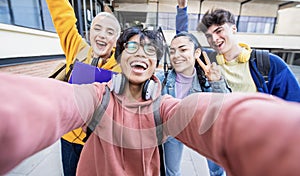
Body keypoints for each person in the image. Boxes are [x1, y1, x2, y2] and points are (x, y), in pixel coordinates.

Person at [1, 27, 300, 176]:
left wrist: (278, 138)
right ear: (119, 59)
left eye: (149, 50)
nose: (140, 53)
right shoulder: (96, 95)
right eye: (131, 46)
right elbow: (54, 101)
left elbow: (207, 115)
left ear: (157, 64)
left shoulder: (164, 105)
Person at [40, 0, 122, 175]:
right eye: (97, 29)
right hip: (68, 138)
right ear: (89, 32)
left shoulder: (120, 68)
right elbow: (62, 14)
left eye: (109, 32)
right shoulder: (76, 49)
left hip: (98, 143)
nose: (102, 35)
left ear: (117, 39)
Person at [175, 0, 300, 102]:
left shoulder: (268, 63)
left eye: (219, 31)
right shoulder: (208, 59)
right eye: (208, 36)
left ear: (234, 28)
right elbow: (184, 42)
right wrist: (182, 7)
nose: (214, 39)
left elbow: (294, 105)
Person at [173, 0, 227, 175]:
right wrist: (182, 7)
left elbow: (223, 100)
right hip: (176, 124)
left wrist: (216, 81)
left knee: (217, 167)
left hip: (202, 125)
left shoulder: (207, 69)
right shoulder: (174, 71)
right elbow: (182, 37)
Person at [156, 31, 229, 176]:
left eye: (183, 50)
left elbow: (225, 108)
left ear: (197, 53)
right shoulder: (161, 79)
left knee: (217, 171)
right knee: (170, 172)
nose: (176, 56)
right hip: (173, 130)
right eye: (172, 51)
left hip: (203, 129)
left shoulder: (210, 78)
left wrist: (216, 83)